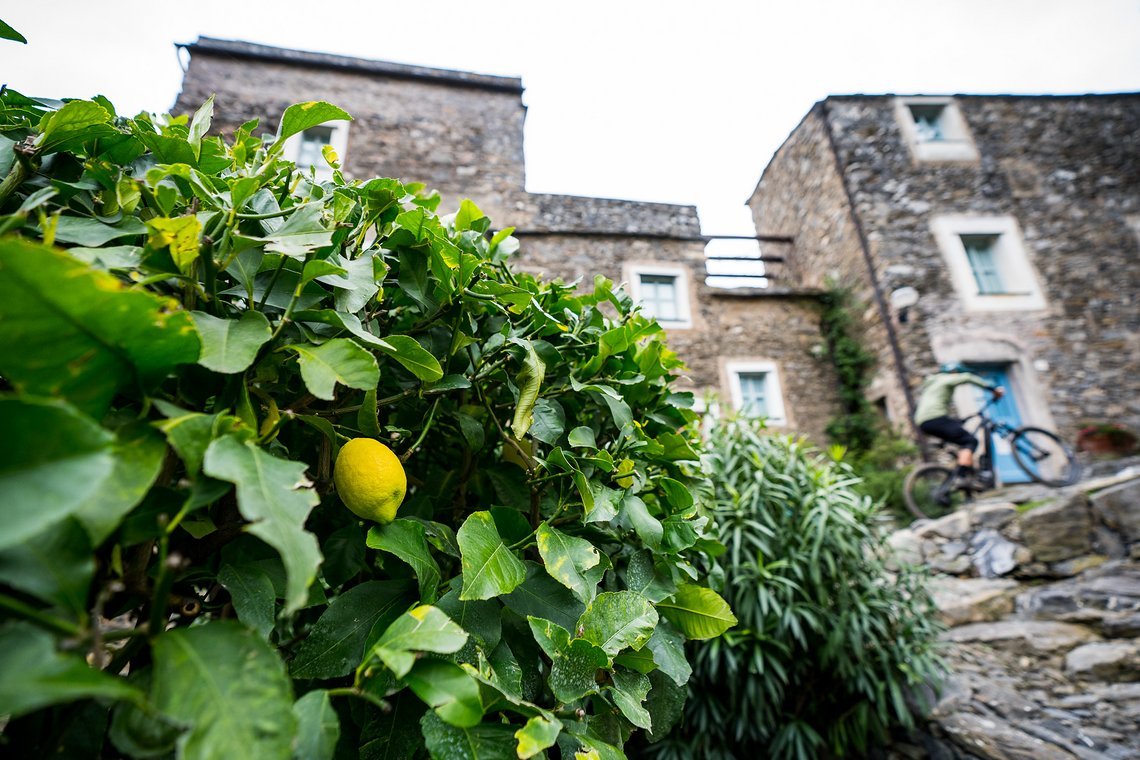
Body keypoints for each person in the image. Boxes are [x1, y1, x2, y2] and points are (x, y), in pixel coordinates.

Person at [914, 363, 1004, 486]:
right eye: (958, 373)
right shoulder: (947, 378)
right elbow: (967, 377)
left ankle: (969, 479)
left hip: (924, 422)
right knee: (970, 441)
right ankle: (960, 476)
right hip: (936, 418)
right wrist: (993, 389)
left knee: (960, 438)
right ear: (954, 372)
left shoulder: (933, 383)